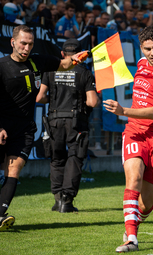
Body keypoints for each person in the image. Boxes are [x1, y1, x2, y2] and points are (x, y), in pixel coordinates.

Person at [0, 25, 88, 232]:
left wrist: (75, 60)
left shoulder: (38, 61)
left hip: (24, 128)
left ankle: (0, 217)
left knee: (13, 169)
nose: (26, 48)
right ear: (13, 42)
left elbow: (63, 65)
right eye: (23, 43)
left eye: (30, 44)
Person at [103, 25, 153, 253]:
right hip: (135, 132)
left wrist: (122, 111)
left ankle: (134, 221)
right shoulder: (140, 63)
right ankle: (132, 239)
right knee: (134, 180)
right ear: (141, 48)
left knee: (146, 204)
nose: (152, 53)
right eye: (147, 49)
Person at [36, 38, 99, 213]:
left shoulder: (51, 70)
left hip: (54, 120)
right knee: (75, 157)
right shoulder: (85, 72)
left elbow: (40, 97)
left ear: (62, 54)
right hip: (76, 121)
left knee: (56, 159)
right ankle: (67, 200)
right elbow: (92, 102)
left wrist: (53, 100)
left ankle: (57, 199)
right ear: (80, 55)